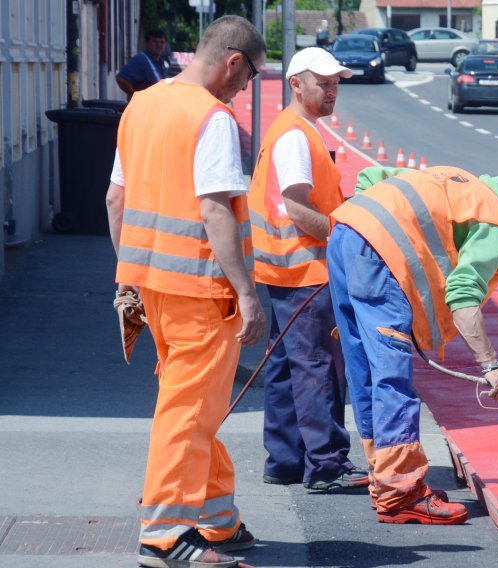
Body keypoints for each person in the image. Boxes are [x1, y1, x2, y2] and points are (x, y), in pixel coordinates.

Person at [105, 15, 267, 568]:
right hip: (202, 288)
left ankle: (217, 518)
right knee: (190, 407)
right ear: (233, 63)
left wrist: (129, 272)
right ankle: (165, 533)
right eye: (246, 81)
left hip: (155, 286)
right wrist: (246, 292)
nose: (242, 92)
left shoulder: (142, 106)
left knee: (198, 405)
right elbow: (215, 208)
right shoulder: (211, 117)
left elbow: (115, 200)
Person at [327, 165, 498, 524]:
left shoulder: (463, 184)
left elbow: (371, 176)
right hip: (376, 253)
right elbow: (464, 295)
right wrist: (491, 365)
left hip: (347, 232)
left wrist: (362, 237)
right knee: (391, 373)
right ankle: (402, 493)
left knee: (365, 370)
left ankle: (386, 480)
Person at [248, 47, 369, 492]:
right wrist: (341, 237)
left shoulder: (297, 130)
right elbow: (297, 207)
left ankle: (284, 460)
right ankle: (327, 464)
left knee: (286, 366)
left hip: (285, 271)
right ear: (296, 83)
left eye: (336, 82)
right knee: (318, 366)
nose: (333, 89)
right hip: (305, 273)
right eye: (324, 82)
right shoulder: (296, 135)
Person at [116, 29, 169, 99]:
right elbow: (121, 79)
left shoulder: (162, 63)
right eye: (155, 42)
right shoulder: (140, 60)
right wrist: (135, 95)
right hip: (142, 107)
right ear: (147, 44)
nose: (159, 45)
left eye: (162, 42)